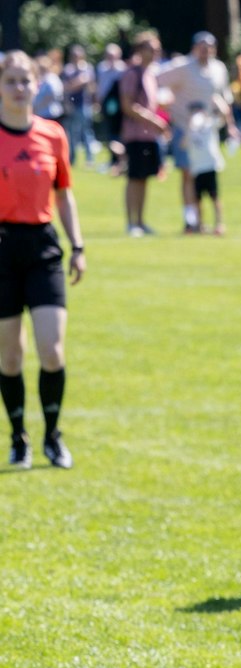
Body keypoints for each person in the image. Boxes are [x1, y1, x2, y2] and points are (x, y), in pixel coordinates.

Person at [0, 50, 83, 470]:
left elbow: (64, 193)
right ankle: (19, 438)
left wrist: (78, 246)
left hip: (43, 248)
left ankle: (52, 435)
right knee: (9, 357)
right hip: (1, 249)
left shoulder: (52, 134)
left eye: (25, 80)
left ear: (37, 84)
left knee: (51, 351)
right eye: (11, 80)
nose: (19, 88)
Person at [159, 31, 232, 234]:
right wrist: (164, 101)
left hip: (208, 130)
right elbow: (156, 80)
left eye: (209, 48)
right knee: (187, 174)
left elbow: (222, 96)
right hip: (184, 127)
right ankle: (191, 220)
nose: (205, 52)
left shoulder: (219, 68)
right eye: (202, 47)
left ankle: (209, 221)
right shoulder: (182, 66)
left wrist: (227, 118)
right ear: (194, 48)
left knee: (207, 175)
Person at [117, 32, 168, 237]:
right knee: (134, 178)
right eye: (151, 48)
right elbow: (127, 106)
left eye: (157, 49)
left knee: (145, 178)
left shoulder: (150, 74)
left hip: (149, 136)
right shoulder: (132, 73)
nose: (156, 52)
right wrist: (154, 121)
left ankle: (140, 221)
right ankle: (131, 223)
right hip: (135, 135)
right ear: (140, 50)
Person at [184, 107, 224, 233]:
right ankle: (200, 224)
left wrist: (217, 101)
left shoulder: (210, 124)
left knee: (214, 197)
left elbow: (223, 115)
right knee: (197, 199)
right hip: (197, 169)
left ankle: (219, 224)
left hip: (210, 166)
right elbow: (183, 144)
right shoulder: (191, 130)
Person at [62, 45, 95, 165]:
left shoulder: (87, 68)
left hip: (84, 105)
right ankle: (72, 158)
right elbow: (65, 88)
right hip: (72, 105)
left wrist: (73, 84)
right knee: (71, 133)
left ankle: (89, 158)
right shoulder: (68, 69)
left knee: (86, 132)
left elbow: (85, 83)